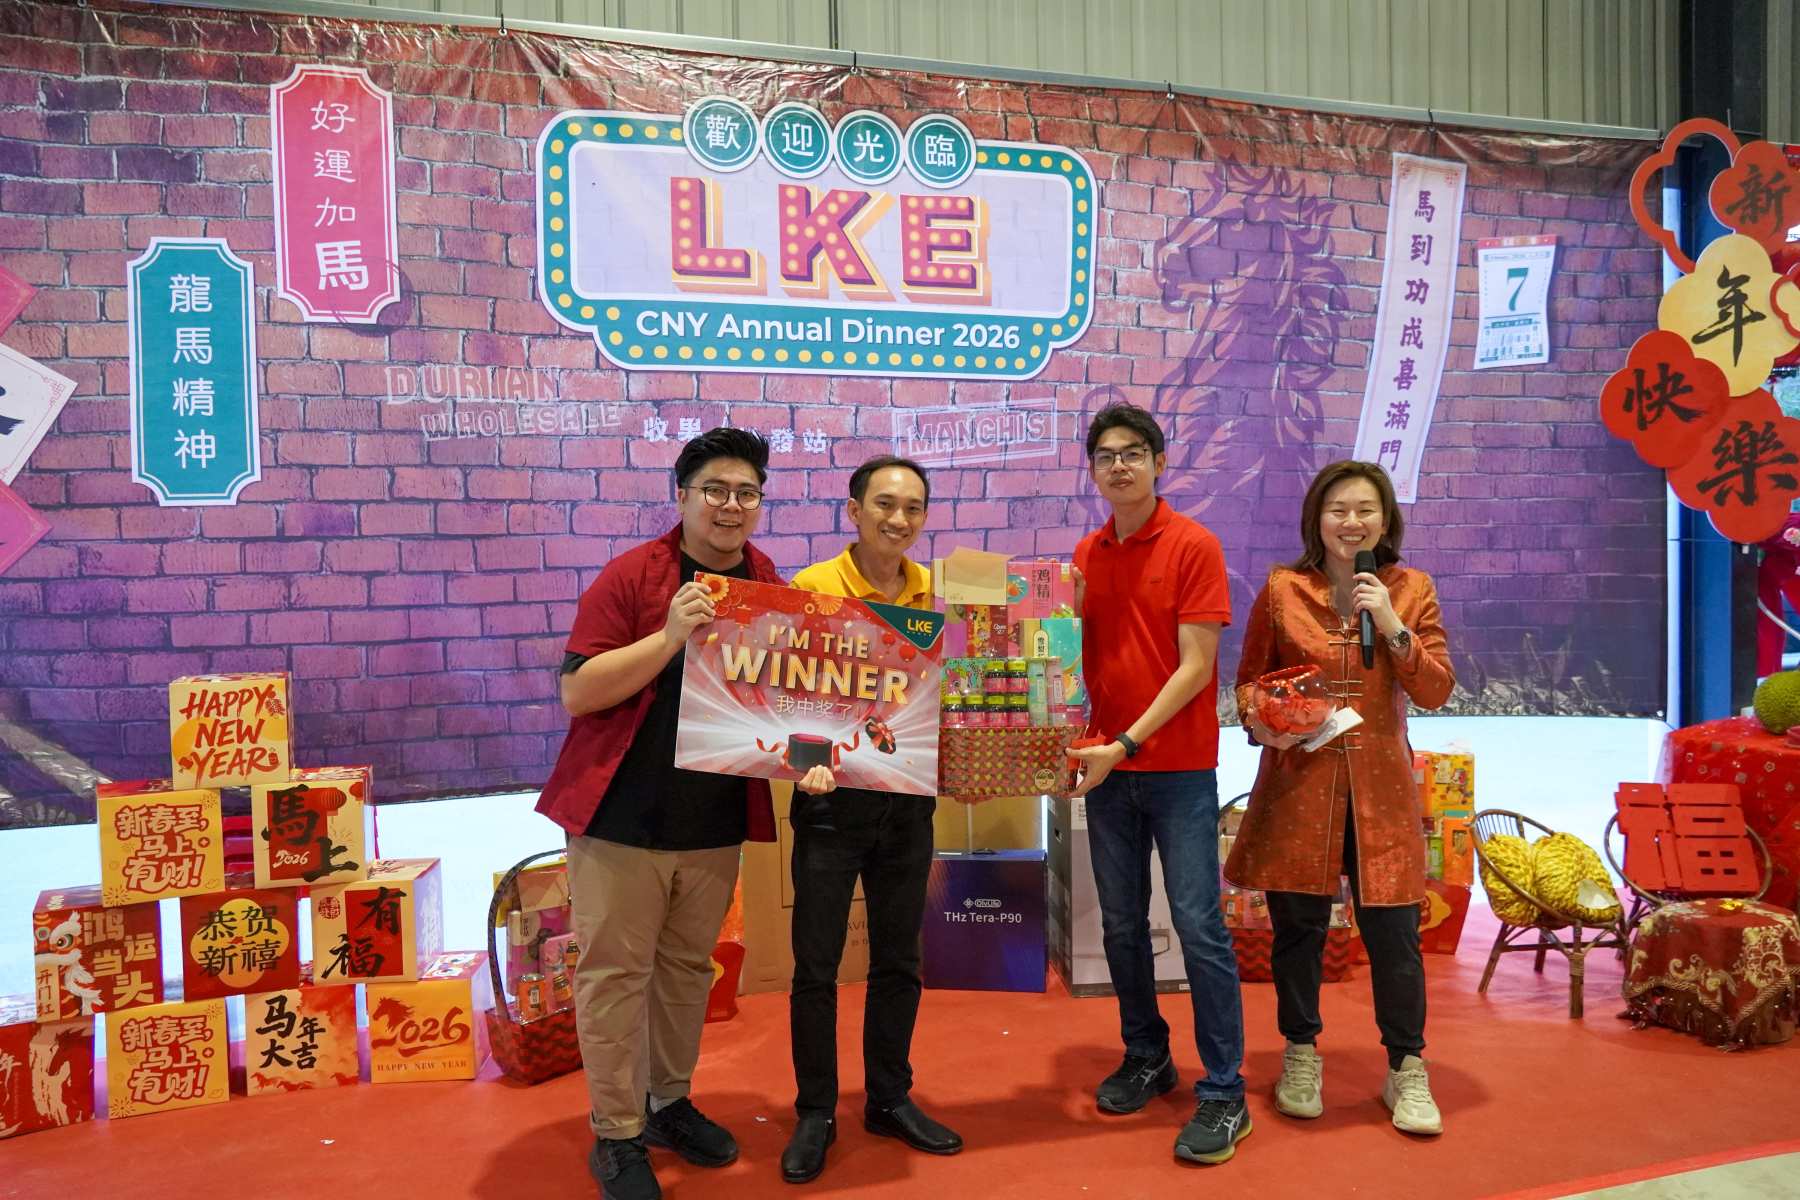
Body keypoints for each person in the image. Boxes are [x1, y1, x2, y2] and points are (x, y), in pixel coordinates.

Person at [540, 427, 835, 1200]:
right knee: (613, 977)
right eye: (715, 490)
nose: (731, 506)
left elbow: (787, 698)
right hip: (620, 818)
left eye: (746, 493)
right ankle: (616, 1133)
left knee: (683, 974)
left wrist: (815, 761)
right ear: (682, 496)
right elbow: (578, 692)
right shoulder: (633, 575)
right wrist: (670, 635)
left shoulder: (768, 584)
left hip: (711, 822)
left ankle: (667, 1102)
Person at [1226, 459, 1455, 1137]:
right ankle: (1300, 1054)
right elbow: (1247, 684)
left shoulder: (1411, 589)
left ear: (1385, 520)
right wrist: (1265, 718)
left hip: (1382, 790)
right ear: (1316, 520)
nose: (1351, 522)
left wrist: (1390, 623)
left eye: (1365, 510)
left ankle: (1406, 1067)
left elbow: (1436, 688)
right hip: (1301, 784)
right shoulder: (1283, 589)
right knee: (1298, 930)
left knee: (1394, 934)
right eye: (1338, 510)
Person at [1066, 402, 1250, 1166]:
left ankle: (1226, 1091)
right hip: (1107, 771)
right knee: (1119, 927)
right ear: (1093, 469)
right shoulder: (1088, 553)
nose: (1119, 466)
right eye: (1105, 455)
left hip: (1176, 771)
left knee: (1199, 928)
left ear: (1158, 462)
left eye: (1132, 453)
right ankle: (1147, 1054)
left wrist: (1127, 742)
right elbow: (1066, 656)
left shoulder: (1194, 544)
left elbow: (1197, 667)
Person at [778, 455, 963, 1184]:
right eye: (884, 504)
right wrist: (805, 761)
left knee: (899, 960)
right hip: (831, 803)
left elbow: (953, 692)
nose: (899, 519)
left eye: (913, 507)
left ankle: (888, 1098)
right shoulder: (812, 588)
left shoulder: (937, 594)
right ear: (853, 510)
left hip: (909, 802)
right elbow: (787, 691)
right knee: (816, 966)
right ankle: (815, 1112)